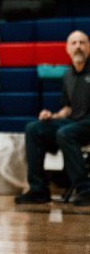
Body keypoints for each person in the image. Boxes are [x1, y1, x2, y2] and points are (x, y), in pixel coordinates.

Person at [15, 30, 90, 207]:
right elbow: (68, 108)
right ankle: (38, 190)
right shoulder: (67, 75)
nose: (78, 46)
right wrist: (52, 116)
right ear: (67, 49)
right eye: (74, 43)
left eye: (82, 42)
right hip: (74, 122)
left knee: (65, 133)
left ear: (89, 47)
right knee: (34, 128)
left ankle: (85, 189)